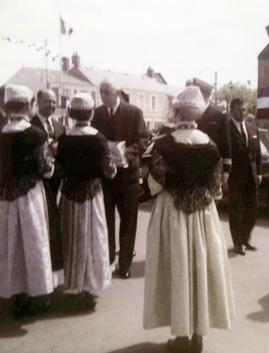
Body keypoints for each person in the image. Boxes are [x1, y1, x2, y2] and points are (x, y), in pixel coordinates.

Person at [143, 86, 234, 353]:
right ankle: (197, 335)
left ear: (177, 110)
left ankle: (182, 336)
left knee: (177, 269)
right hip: (203, 214)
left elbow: (156, 183)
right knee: (201, 267)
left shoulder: (163, 143)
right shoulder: (209, 143)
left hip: (172, 211)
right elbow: (216, 187)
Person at [0, 84, 56, 319]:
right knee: (33, 244)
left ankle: (16, 293)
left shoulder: (1, 133)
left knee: (10, 244)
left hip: (5, 197)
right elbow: (46, 170)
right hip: (30, 195)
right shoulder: (36, 134)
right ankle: (36, 294)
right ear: (29, 105)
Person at [57, 93, 116, 309]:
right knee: (92, 239)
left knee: (72, 238)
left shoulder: (64, 139)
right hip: (92, 194)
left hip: (70, 195)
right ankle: (89, 287)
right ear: (91, 113)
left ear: (71, 113)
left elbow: (59, 169)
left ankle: (74, 285)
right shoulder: (99, 138)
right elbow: (108, 171)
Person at [91, 79, 148, 278]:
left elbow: (143, 140)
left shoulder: (134, 112)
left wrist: (125, 152)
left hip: (128, 177)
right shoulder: (97, 114)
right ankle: (108, 261)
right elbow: (93, 139)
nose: (103, 95)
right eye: (101, 91)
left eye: (107, 91)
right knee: (106, 221)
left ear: (117, 93)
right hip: (106, 177)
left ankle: (124, 265)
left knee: (128, 221)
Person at [31, 89, 65, 275]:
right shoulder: (30, 126)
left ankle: (56, 267)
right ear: (38, 101)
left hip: (58, 181)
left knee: (56, 225)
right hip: (39, 184)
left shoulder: (60, 127)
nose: (51, 105)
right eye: (47, 101)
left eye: (54, 102)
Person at [228, 98, 262, 255]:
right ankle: (237, 243)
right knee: (236, 211)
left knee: (252, 210)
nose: (242, 113)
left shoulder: (253, 129)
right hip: (235, 177)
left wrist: (259, 172)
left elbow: (258, 154)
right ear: (231, 111)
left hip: (252, 177)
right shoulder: (226, 129)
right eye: (239, 110)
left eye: (244, 110)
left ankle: (245, 239)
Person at [186, 78, 231, 191]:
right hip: (190, 167)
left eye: (197, 93)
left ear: (205, 94)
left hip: (211, 168)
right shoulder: (188, 113)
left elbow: (225, 144)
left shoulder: (218, 115)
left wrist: (226, 170)